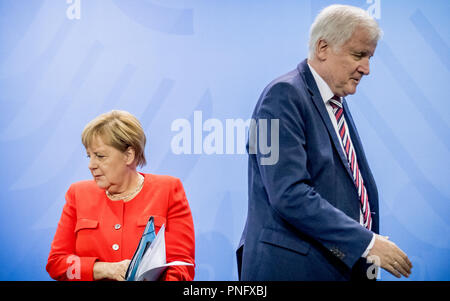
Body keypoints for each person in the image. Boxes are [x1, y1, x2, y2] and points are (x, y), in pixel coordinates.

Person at [237, 4, 412, 280]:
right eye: (359, 55)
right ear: (322, 48)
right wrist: (366, 242)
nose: (366, 69)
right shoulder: (280, 96)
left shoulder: (335, 102)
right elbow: (287, 193)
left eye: (369, 57)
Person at [46, 110, 195, 281]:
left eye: (100, 156)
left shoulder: (168, 189)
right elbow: (57, 264)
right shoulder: (77, 194)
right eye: (89, 156)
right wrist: (103, 269)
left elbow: (182, 267)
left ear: (128, 155)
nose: (91, 165)